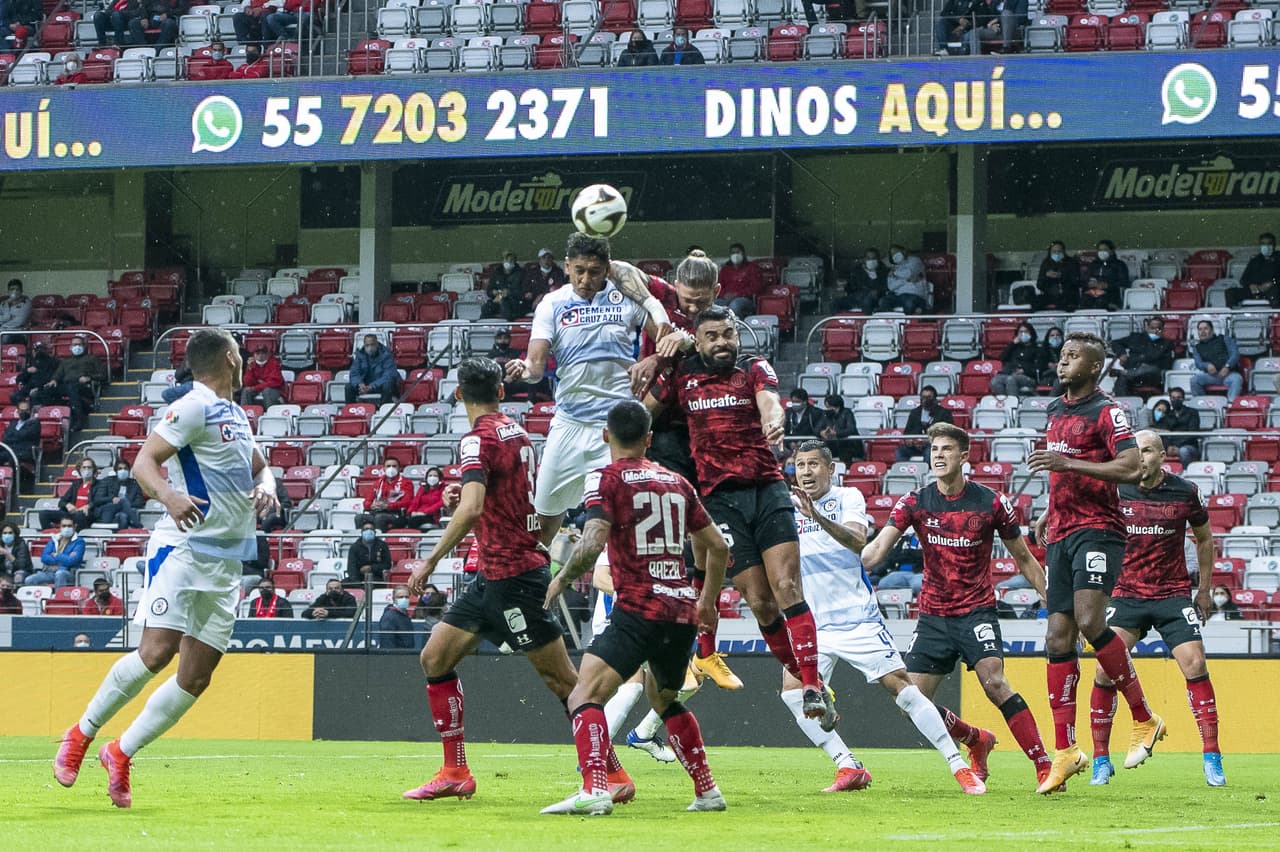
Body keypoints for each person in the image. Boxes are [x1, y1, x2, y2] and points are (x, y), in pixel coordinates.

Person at [53, 328, 278, 808]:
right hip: (183, 549)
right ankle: (80, 734)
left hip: (226, 563)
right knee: (157, 652)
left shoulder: (236, 415)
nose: (244, 356)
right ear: (230, 358)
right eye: (239, 351)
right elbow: (143, 463)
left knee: (196, 677)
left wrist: (270, 486)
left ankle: (121, 751)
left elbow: (261, 467)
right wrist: (171, 495)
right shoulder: (192, 405)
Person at [402, 357, 635, 804]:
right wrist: (470, 495)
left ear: (457, 395)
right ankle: (455, 770)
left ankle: (614, 773)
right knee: (435, 658)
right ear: (501, 393)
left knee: (565, 683)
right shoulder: (518, 432)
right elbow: (504, 496)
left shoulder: (476, 440)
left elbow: (471, 509)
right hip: (493, 575)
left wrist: (427, 561)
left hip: (515, 576)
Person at [646, 306, 835, 728]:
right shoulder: (680, 375)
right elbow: (643, 412)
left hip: (766, 490)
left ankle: (807, 686)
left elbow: (770, 402)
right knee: (760, 602)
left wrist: (774, 420)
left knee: (786, 585)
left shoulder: (752, 367)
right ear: (697, 340)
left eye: (728, 334)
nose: (722, 343)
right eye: (712, 336)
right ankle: (814, 681)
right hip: (719, 499)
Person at [541, 400, 730, 815]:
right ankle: (707, 790)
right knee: (662, 699)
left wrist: (561, 578)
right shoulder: (678, 483)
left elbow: (592, 543)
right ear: (649, 439)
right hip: (680, 611)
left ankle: (594, 790)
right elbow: (717, 547)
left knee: (583, 694)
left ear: (606, 436)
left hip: (637, 608)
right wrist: (707, 602)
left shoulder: (605, 478)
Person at [788, 439, 996, 794]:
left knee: (902, 689)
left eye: (813, 465)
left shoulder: (847, 498)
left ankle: (958, 765)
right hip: (813, 623)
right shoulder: (788, 508)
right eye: (800, 465)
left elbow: (859, 542)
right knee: (793, 693)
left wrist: (817, 517)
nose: (806, 472)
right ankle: (848, 766)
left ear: (830, 469)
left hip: (857, 619)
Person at [862, 424, 1055, 791]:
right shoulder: (915, 502)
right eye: (934, 448)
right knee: (910, 700)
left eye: (947, 449)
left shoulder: (991, 503)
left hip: (977, 611)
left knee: (994, 682)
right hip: (933, 616)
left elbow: (1025, 559)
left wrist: (1050, 599)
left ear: (964, 456)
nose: (938, 455)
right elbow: (875, 551)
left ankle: (1044, 765)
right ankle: (975, 738)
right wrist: (847, 561)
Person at [1028, 331, 1159, 794]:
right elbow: (1065, 472)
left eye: (1073, 356)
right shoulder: (1054, 409)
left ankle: (1143, 718)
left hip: (1099, 529)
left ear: (1094, 366)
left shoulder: (1109, 411)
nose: (1062, 362)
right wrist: (1048, 511)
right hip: (1062, 532)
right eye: (1061, 354)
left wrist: (1068, 465)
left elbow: (1129, 468)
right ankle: (1065, 751)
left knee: (1088, 619)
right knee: (1056, 635)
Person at [621, 249, 741, 690]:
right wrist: (655, 309)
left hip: (706, 430)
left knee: (712, 541)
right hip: (667, 433)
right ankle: (683, 643)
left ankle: (703, 647)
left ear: (717, 292)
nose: (691, 308)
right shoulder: (663, 298)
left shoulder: (721, 326)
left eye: (700, 300)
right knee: (677, 537)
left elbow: (693, 342)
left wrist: (665, 349)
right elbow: (620, 268)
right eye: (685, 300)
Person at [503, 232, 668, 548]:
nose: (585, 278)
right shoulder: (552, 304)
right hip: (569, 425)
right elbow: (535, 367)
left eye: (594, 271)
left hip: (616, 429)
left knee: (623, 525)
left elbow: (668, 342)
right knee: (543, 521)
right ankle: (533, 592)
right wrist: (523, 370)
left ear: (607, 268)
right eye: (579, 270)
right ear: (566, 266)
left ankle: (623, 593)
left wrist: (653, 359)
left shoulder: (627, 299)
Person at [1088, 430, 1223, 787]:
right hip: (1126, 594)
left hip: (1172, 594)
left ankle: (1212, 757)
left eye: (1147, 451)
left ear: (1162, 456)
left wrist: (1204, 590)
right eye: (1136, 451)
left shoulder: (1185, 491)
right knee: (1104, 671)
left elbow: (1205, 537)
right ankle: (1101, 759)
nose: (1141, 457)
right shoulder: (1115, 489)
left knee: (1195, 662)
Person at [32, 334, 107, 431]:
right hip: (67, 385)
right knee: (47, 390)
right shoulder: (65, 361)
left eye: (79, 344)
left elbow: (103, 375)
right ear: (70, 347)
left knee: (72, 389)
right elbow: (58, 374)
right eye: (74, 345)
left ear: (84, 346)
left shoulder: (92, 358)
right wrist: (54, 380)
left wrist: (89, 377)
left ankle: (79, 420)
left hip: (84, 385)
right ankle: (56, 416)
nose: (77, 347)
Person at [1110, 317, 1174, 397]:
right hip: (1133, 369)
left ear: (1163, 329)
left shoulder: (1166, 344)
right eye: (1152, 328)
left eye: (1159, 328)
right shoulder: (1136, 338)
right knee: (1122, 380)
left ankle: (1125, 373)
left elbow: (1166, 364)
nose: (1155, 331)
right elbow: (1115, 343)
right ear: (1147, 328)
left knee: (1146, 369)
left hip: (1153, 373)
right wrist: (1122, 354)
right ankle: (1122, 403)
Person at [1189, 320, 1243, 403]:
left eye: (1206, 328)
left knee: (1237, 379)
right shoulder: (1197, 347)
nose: (1203, 332)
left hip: (1229, 374)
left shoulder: (1225, 339)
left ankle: (1230, 406)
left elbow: (1235, 354)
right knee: (1194, 380)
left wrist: (1227, 366)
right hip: (1212, 376)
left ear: (1212, 330)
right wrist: (1206, 365)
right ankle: (1201, 404)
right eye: (1200, 329)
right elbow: (1198, 363)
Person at [39, 459, 99, 530]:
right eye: (84, 467)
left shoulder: (99, 484)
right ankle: (52, 535)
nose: (86, 470)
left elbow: (99, 500)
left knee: (79, 516)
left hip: (86, 515)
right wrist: (67, 505)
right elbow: (62, 501)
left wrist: (88, 506)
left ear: (93, 470)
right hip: (71, 513)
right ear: (79, 470)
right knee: (43, 514)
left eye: (89, 467)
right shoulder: (76, 484)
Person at [897, 385, 954, 461]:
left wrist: (928, 441)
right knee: (900, 451)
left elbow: (949, 434)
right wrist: (910, 440)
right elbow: (907, 433)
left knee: (929, 452)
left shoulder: (944, 413)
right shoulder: (915, 413)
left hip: (934, 446)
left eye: (929, 397)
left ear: (934, 399)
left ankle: (927, 472)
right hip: (916, 446)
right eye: (923, 397)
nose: (925, 399)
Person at [355, 460, 414, 531]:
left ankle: (380, 540)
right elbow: (367, 501)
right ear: (384, 468)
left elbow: (407, 502)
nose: (391, 468)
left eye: (394, 466)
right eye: (388, 466)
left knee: (379, 518)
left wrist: (388, 505)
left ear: (399, 468)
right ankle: (362, 539)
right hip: (377, 512)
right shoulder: (378, 483)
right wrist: (371, 505)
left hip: (396, 514)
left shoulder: (406, 483)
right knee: (359, 517)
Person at [1228, 232, 1280, 308]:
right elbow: (1243, 279)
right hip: (1254, 290)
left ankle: (1276, 317)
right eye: (1263, 244)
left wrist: (1272, 283)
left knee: (1275, 293)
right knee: (1230, 293)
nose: (1266, 246)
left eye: (1269, 243)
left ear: (1274, 245)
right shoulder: (1255, 260)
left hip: (1273, 290)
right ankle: (1234, 317)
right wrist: (1251, 285)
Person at [990, 322, 1041, 397]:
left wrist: (1024, 370)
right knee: (995, 381)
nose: (1023, 334)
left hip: (1028, 376)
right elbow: (1002, 358)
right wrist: (1012, 344)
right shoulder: (1014, 348)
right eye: (1021, 332)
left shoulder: (1037, 349)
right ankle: (1004, 402)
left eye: (1026, 331)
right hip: (1011, 373)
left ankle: (1013, 404)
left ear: (1031, 333)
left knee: (1011, 379)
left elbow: (1039, 366)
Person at [91, 461, 145, 531]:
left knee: (123, 516)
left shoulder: (134, 484)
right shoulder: (107, 481)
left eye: (125, 469)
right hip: (107, 512)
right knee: (123, 501)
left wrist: (123, 506)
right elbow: (97, 499)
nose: (123, 471)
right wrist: (111, 499)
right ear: (116, 471)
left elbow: (139, 502)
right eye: (120, 469)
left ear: (129, 471)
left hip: (125, 513)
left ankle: (120, 540)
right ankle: (139, 526)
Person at [31, 518, 84, 587]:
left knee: (60, 574)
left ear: (75, 526)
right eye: (64, 526)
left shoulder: (79, 542)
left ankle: (59, 597)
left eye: (69, 526)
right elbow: (44, 557)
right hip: (50, 573)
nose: (66, 528)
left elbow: (72, 561)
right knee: (30, 580)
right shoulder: (54, 539)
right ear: (60, 527)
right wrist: (65, 558)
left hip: (69, 573)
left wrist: (56, 555)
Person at [347, 334, 399, 404]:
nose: (370, 348)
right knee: (349, 387)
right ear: (364, 345)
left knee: (388, 384)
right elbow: (354, 373)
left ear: (377, 344)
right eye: (367, 345)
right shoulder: (359, 355)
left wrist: (372, 386)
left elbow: (389, 375)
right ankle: (351, 411)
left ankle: (384, 409)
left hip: (380, 386)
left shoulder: (387, 355)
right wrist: (359, 384)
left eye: (372, 344)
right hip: (365, 386)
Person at [1156, 387, 1201, 467]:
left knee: (1183, 451)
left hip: (1189, 446)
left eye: (1178, 398)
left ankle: (1186, 473)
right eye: (1173, 398)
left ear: (1183, 399)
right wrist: (1168, 447)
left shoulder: (1192, 413)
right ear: (1170, 399)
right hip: (1170, 446)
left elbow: (1193, 433)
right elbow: (1164, 433)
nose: (1176, 400)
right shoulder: (1167, 415)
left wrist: (1177, 446)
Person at [880, 245, 930, 314]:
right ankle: (894, 320)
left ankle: (906, 323)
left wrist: (895, 274)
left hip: (915, 295)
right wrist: (905, 280)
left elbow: (909, 273)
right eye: (892, 254)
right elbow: (891, 287)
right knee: (883, 301)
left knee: (908, 303)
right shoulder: (894, 267)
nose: (894, 255)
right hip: (898, 296)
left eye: (896, 252)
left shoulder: (915, 260)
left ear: (904, 251)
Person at [716, 243, 761, 317]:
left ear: (743, 254)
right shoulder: (725, 269)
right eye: (733, 253)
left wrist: (737, 294)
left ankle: (737, 327)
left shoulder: (751, 268)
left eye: (738, 252)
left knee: (734, 305)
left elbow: (756, 287)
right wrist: (724, 295)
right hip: (725, 298)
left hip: (744, 299)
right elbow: (719, 286)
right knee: (713, 306)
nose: (735, 255)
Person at [835, 248, 886, 314]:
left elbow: (885, 287)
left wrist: (878, 291)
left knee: (867, 301)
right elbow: (852, 286)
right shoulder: (858, 270)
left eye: (873, 258)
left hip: (874, 298)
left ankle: (867, 322)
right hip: (858, 296)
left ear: (878, 259)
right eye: (868, 258)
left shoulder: (884, 271)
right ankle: (838, 323)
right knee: (836, 303)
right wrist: (845, 285)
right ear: (864, 259)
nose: (871, 260)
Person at [345, 521, 393, 588]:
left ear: (375, 532)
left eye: (371, 529)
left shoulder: (382, 545)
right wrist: (357, 583)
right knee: (343, 584)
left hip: (376, 577)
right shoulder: (354, 547)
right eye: (366, 529)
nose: (369, 531)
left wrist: (371, 568)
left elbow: (387, 565)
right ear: (361, 532)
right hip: (359, 577)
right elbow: (351, 568)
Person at [819, 394, 863, 463]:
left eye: (830, 407)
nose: (828, 409)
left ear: (837, 406)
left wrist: (836, 433)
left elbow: (851, 429)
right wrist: (822, 432)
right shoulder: (826, 415)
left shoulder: (847, 413)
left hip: (848, 446)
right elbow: (817, 427)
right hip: (833, 445)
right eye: (827, 407)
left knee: (845, 453)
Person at [1034, 241, 1077, 311]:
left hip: (1067, 295)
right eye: (1054, 251)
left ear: (1064, 252)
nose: (1056, 254)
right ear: (1050, 252)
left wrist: (1061, 276)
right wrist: (1047, 277)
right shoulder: (1046, 263)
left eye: (1059, 251)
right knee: (1036, 302)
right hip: (1050, 295)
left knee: (1066, 304)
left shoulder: (1071, 262)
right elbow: (1039, 285)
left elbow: (1075, 281)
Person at [483, 252, 527, 320]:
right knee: (486, 307)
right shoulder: (496, 273)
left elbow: (524, 292)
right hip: (499, 297)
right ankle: (484, 326)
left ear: (515, 262)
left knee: (505, 304)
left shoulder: (521, 273)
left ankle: (506, 327)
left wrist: (509, 292)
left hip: (515, 301)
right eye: (507, 260)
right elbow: (489, 290)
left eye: (511, 260)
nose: (509, 262)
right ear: (503, 260)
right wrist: (493, 292)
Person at [239, 346, 284, 410]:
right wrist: (250, 369)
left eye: (263, 353)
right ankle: (246, 414)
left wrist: (256, 387)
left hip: (274, 390)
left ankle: (271, 414)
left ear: (267, 355)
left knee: (267, 391)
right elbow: (247, 383)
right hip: (258, 389)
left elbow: (274, 382)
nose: (260, 356)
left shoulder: (274, 364)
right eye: (257, 354)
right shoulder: (252, 364)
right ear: (254, 355)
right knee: (246, 391)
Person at [2, 398, 41, 467]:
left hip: (24, 451)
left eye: (26, 410)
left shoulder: (35, 423)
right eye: (21, 411)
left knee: (12, 458)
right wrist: (16, 435)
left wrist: (12, 435)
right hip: (10, 450)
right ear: (18, 411)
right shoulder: (13, 423)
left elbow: (24, 435)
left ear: (31, 411)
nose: (24, 413)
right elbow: (5, 438)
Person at [377, 584, 417, 649]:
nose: (404, 599)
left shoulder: (405, 615)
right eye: (400, 597)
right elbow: (387, 644)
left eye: (406, 597)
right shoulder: (389, 617)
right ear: (393, 599)